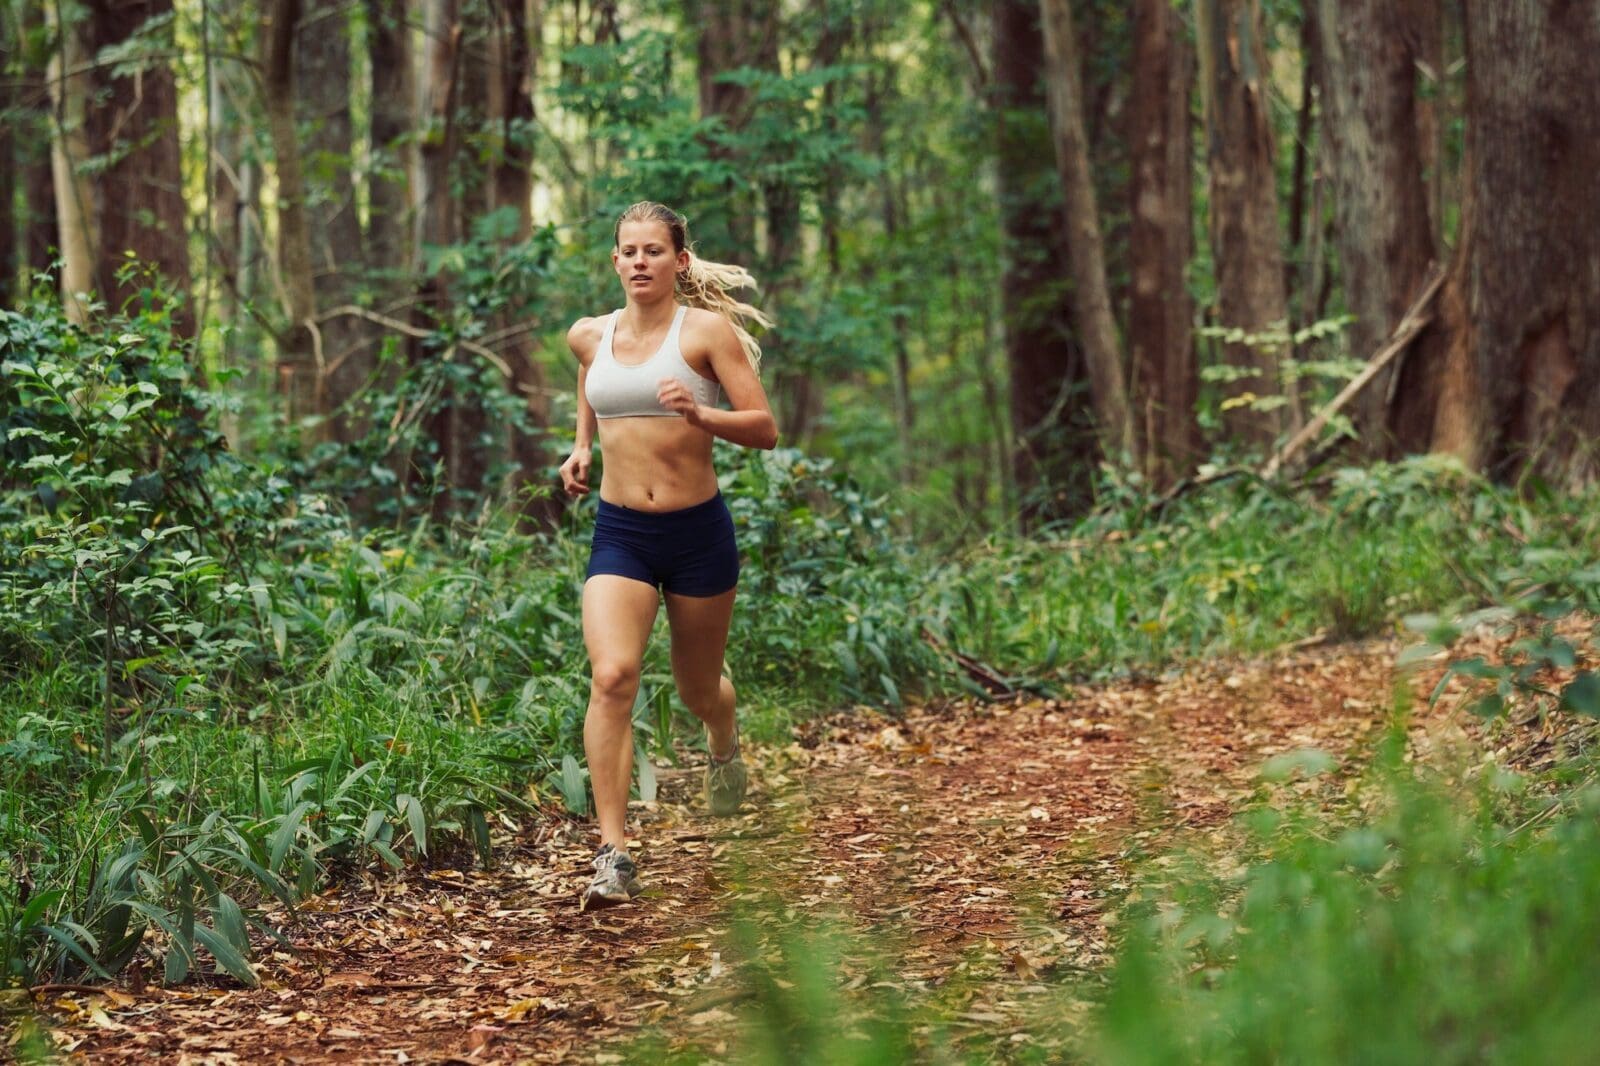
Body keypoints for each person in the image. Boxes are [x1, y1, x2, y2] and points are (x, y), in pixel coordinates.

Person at [559, 201, 779, 909]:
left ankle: (723, 742)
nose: (640, 261)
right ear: (615, 260)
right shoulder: (589, 336)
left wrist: (700, 413)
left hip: (697, 535)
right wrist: (582, 446)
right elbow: (593, 384)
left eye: (653, 250)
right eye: (629, 251)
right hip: (621, 532)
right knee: (613, 675)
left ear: (678, 261)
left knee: (697, 689)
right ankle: (613, 854)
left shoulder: (705, 333)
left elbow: (765, 428)